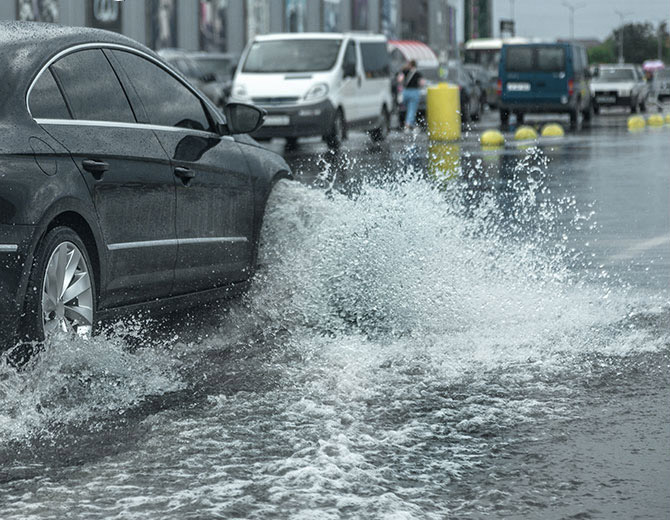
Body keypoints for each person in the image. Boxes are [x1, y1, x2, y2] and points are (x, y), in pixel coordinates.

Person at [401, 60, 424, 131]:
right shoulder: (418, 73)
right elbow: (422, 83)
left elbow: (399, 79)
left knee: (408, 109)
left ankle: (413, 125)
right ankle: (407, 125)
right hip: (414, 92)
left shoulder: (405, 71)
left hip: (405, 92)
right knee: (412, 109)